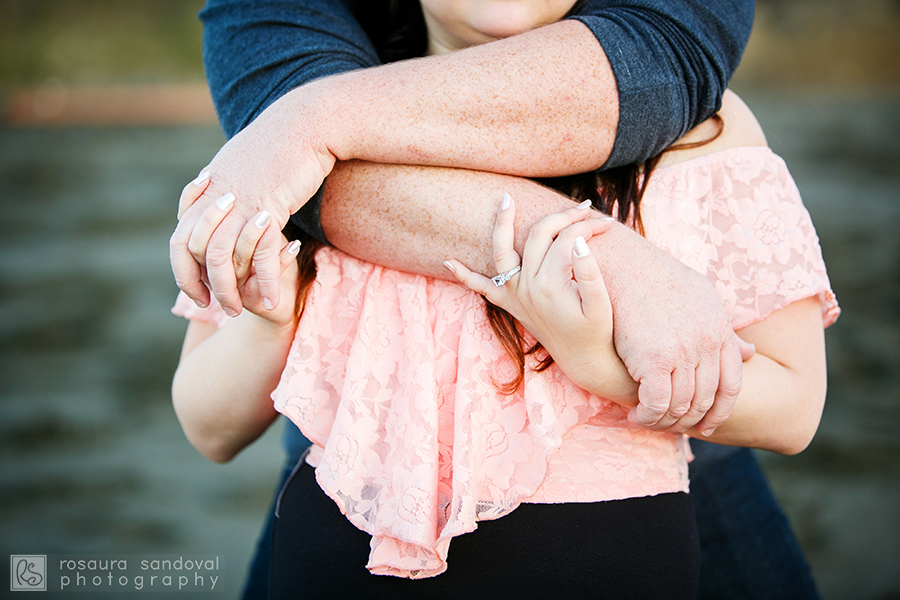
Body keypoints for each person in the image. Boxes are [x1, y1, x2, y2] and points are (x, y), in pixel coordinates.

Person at [172, 87, 838, 598]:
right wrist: (271, 319)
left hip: (607, 554)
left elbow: (792, 408)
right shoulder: (301, 131)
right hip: (333, 562)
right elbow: (210, 430)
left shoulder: (698, 129)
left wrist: (595, 363)